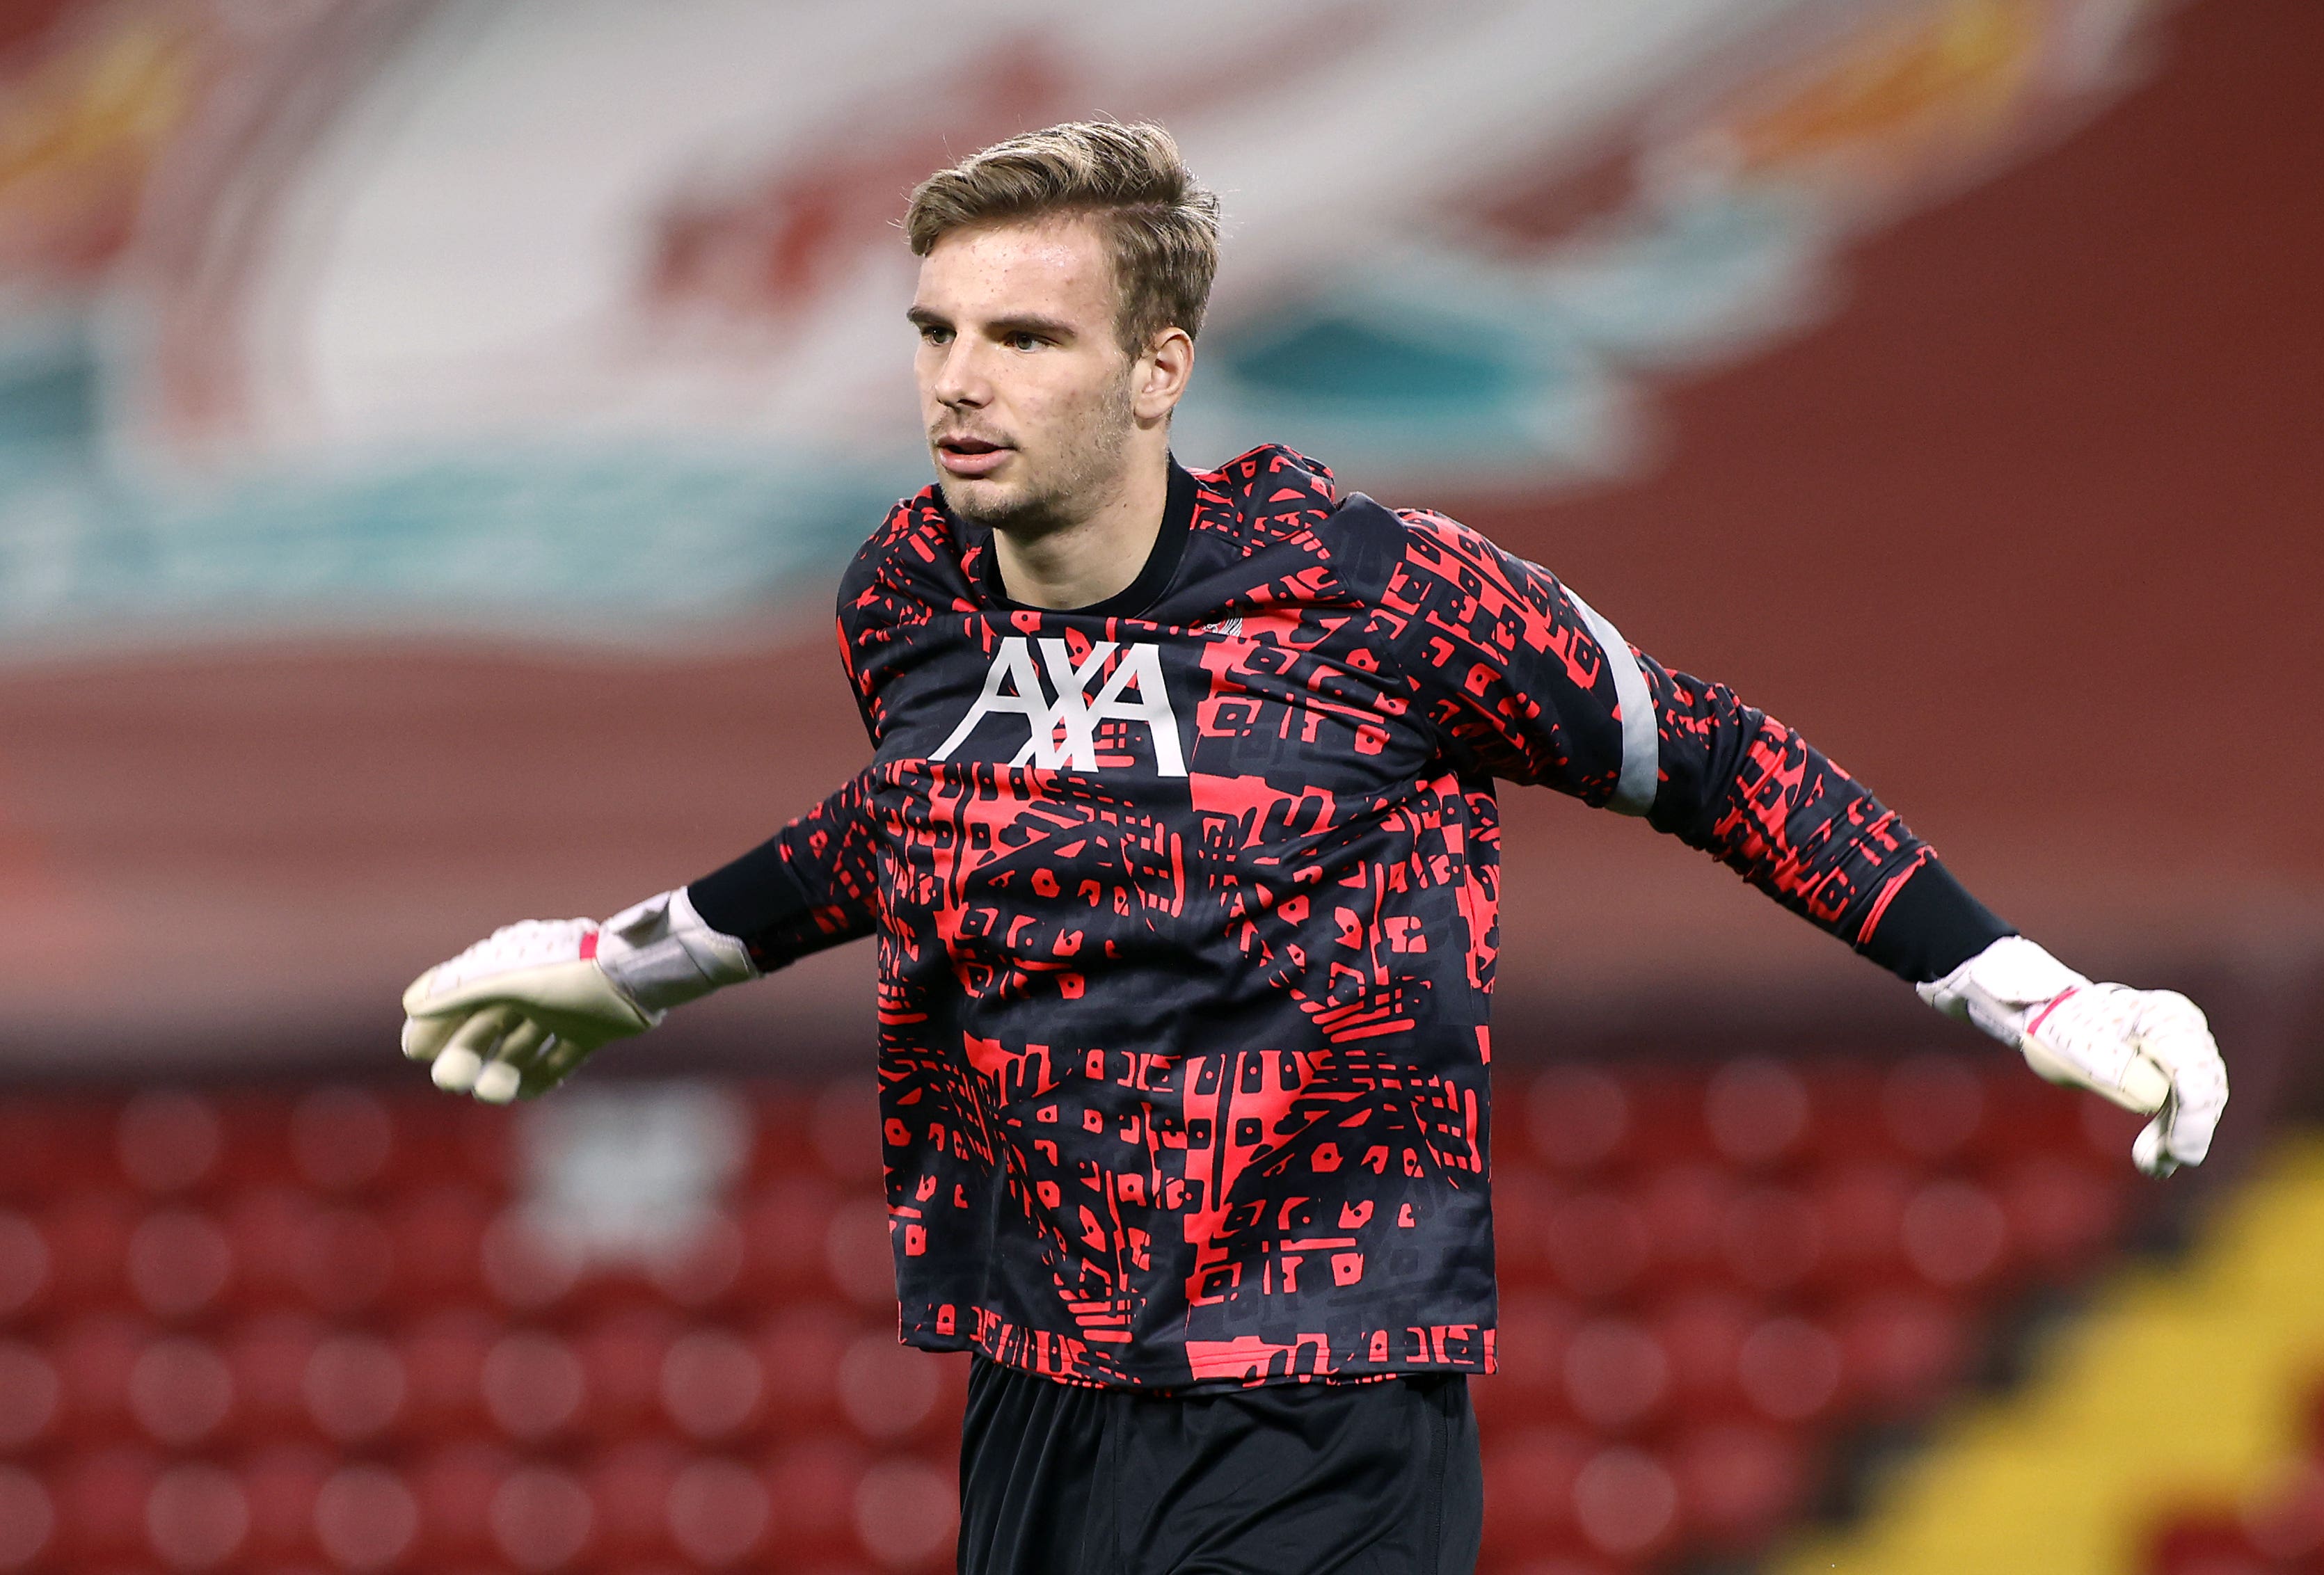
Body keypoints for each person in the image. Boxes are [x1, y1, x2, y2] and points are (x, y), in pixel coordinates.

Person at [399, 121, 2229, 1575]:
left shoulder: (1385, 596)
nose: (960, 380)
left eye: (1024, 337)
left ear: (1154, 368)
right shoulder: (902, 596)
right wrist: (621, 967)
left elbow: (1721, 765)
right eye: (934, 331)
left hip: (1319, 1388)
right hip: (1038, 1386)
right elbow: (903, 834)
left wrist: (2027, 995)